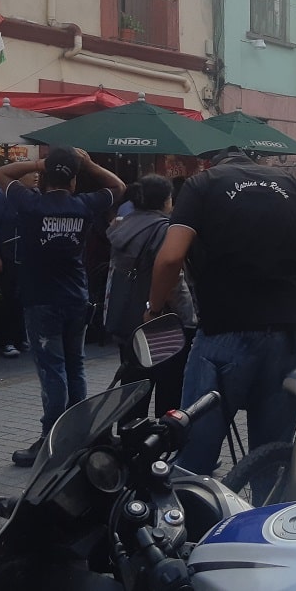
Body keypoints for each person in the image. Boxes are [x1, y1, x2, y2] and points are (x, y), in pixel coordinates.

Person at [146, 146, 296, 478]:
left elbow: (169, 258)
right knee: (272, 459)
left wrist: (154, 307)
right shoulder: (292, 185)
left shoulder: (201, 185)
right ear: (254, 162)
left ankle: (195, 525)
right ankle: (267, 524)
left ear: (213, 162)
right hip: (286, 336)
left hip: (223, 332)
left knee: (195, 458)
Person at [0, 147, 124, 467]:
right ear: (73, 182)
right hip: (76, 298)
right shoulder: (84, 205)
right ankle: (78, 435)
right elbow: (118, 187)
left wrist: (43, 162)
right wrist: (87, 164)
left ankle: (50, 440)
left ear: (43, 179)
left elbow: (4, 173)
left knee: (52, 371)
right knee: (75, 366)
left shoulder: (30, 203)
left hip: (41, 301)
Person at [106, 174, 195, 417]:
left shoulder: (121, 225)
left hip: (128, 319)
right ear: (166, 200)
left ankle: (131, 443)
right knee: (169, 388)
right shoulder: (164, 230)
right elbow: (174, 282)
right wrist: (189, 320)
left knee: (133, 387)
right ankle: (163, 446)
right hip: (160, 321)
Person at [0, 163, 39, 358]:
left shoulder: (35, 195)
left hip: (27, 257)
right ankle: (6, 340)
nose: (36, 176)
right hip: (8, 255)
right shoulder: (2, 195)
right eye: (31, 173)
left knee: (25, 298)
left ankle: (22, 337)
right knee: (10, 299)